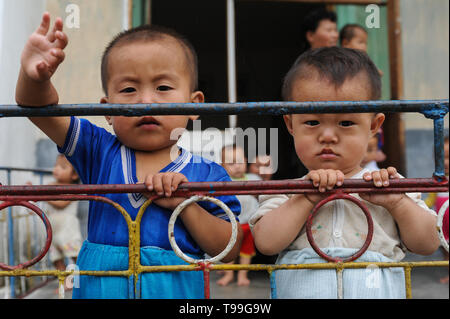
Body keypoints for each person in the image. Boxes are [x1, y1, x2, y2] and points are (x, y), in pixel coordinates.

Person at [15, 13, 243, 299]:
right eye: (128, 89)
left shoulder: (209, 173)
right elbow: (39, 110)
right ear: (106, 109)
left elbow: (230, 249)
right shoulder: (96, 150)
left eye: (162, 87)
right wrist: (33, 76)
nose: (146, 101)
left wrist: (185, 204)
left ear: (194, 104)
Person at [250, 47, 440, 299]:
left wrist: (397, 203)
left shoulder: (390, 186)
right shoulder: (286, 190)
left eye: (346, 123)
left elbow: (428, 244)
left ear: (374, 125)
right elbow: (266, 243)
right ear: (290, 124)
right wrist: (306, 198)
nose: (328, 135)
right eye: (312, 122)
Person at [217, 144, 260, 286]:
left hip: (249, 223)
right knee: (229, 250)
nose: (237, 166)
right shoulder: (223, 181)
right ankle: (228, 274)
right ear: (222, 165)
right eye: (231, 163)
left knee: (246, 251)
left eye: (240, 162)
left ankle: (243, 275)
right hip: (230, 224)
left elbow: (265, 193)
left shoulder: (253, 179)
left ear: (246, 161)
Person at [41, 154, 82, 291]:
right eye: (56, 166)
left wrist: (44, 197)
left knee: (73, 255)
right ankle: (65, 282)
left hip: (67, 228)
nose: (57, 169)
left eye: (63, 167)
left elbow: (62, 204)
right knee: (56, 257)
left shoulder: (72, 189)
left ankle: (78, 279)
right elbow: (42, 191)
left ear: (74, 175)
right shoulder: (51, 186)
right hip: (52, 229)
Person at [425, 134, 449, 284]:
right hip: (443, 223)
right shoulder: (438, 180)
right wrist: (422, 208)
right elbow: (431, 200)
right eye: (442, 157)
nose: (445, 162)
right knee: (445, 250)